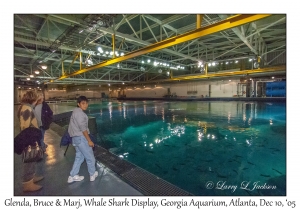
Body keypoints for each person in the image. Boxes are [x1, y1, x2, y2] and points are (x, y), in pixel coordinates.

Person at [17, 90, 44, 192]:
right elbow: (25, 127)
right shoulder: (27, 109)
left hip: (31, 137)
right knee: (29, 160)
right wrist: (30, 140)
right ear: (33, 98)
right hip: (29, 138)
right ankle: (27, 184)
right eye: (37, 97)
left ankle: (31, 177)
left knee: (32, 159)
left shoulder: (26, 107)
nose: (39, 99)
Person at [67, 96, 98, 183]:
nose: (85, 105)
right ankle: (92, 174)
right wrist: (89, 140)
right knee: (90, 157)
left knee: (79, 157)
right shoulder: (80, 114)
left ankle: (73, 175)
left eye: (86, 103)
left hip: (76, 139)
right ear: (78, 104)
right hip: (82, 138)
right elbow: (83, 129)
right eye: (83, 103)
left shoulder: (75, 112)